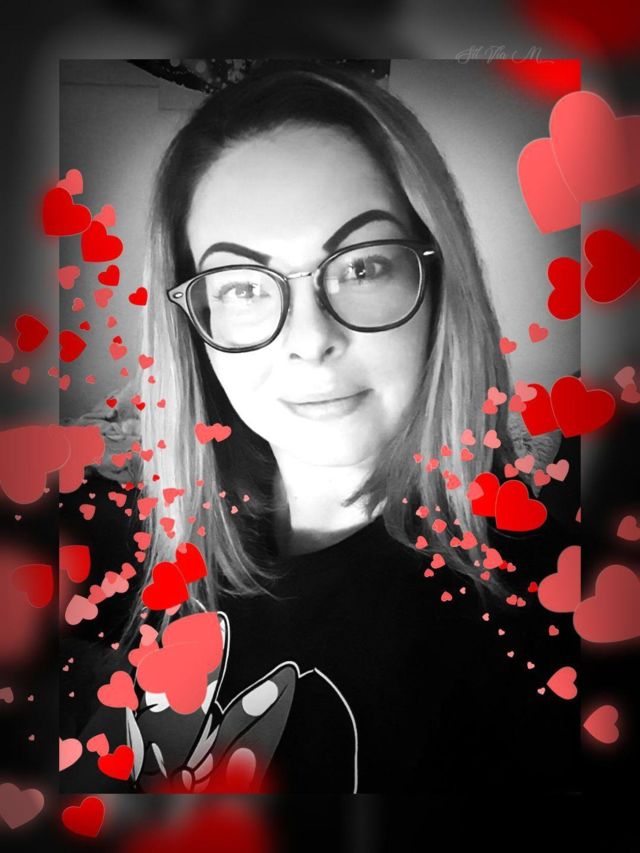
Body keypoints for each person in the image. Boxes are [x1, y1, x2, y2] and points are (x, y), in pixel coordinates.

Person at [60, 62, 580, 795]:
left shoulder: (545, 595)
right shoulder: (141, 529)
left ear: (438, 281)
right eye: (243, 286)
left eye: (362, 268)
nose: (310, 340)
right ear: (196, 325)